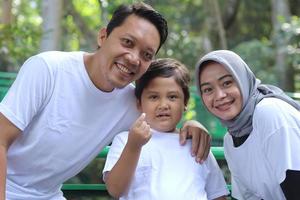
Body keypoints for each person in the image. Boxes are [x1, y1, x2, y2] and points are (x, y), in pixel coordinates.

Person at [0, 3, 211, 200]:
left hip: (48, 194)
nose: (133, 58)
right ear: (103, 36)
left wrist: (192, 125)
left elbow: (164, 120)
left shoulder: (131, 104)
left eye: (146, 55)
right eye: (127, 42)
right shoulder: (48, 69)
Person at [103, 58, 229, 200]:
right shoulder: (125, 140)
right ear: (139, 103)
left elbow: (218, 195)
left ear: (185, 102)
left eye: (172, 97)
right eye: (154, 97)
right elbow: (114, 190)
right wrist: (133, 146)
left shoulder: (197, 143)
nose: (163, 105)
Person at [195, 49, 300, 200]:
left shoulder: (270, 113)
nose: (219, 96)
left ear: (243, 80)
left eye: (227, 83)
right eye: (208, 89)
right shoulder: (230, 140)